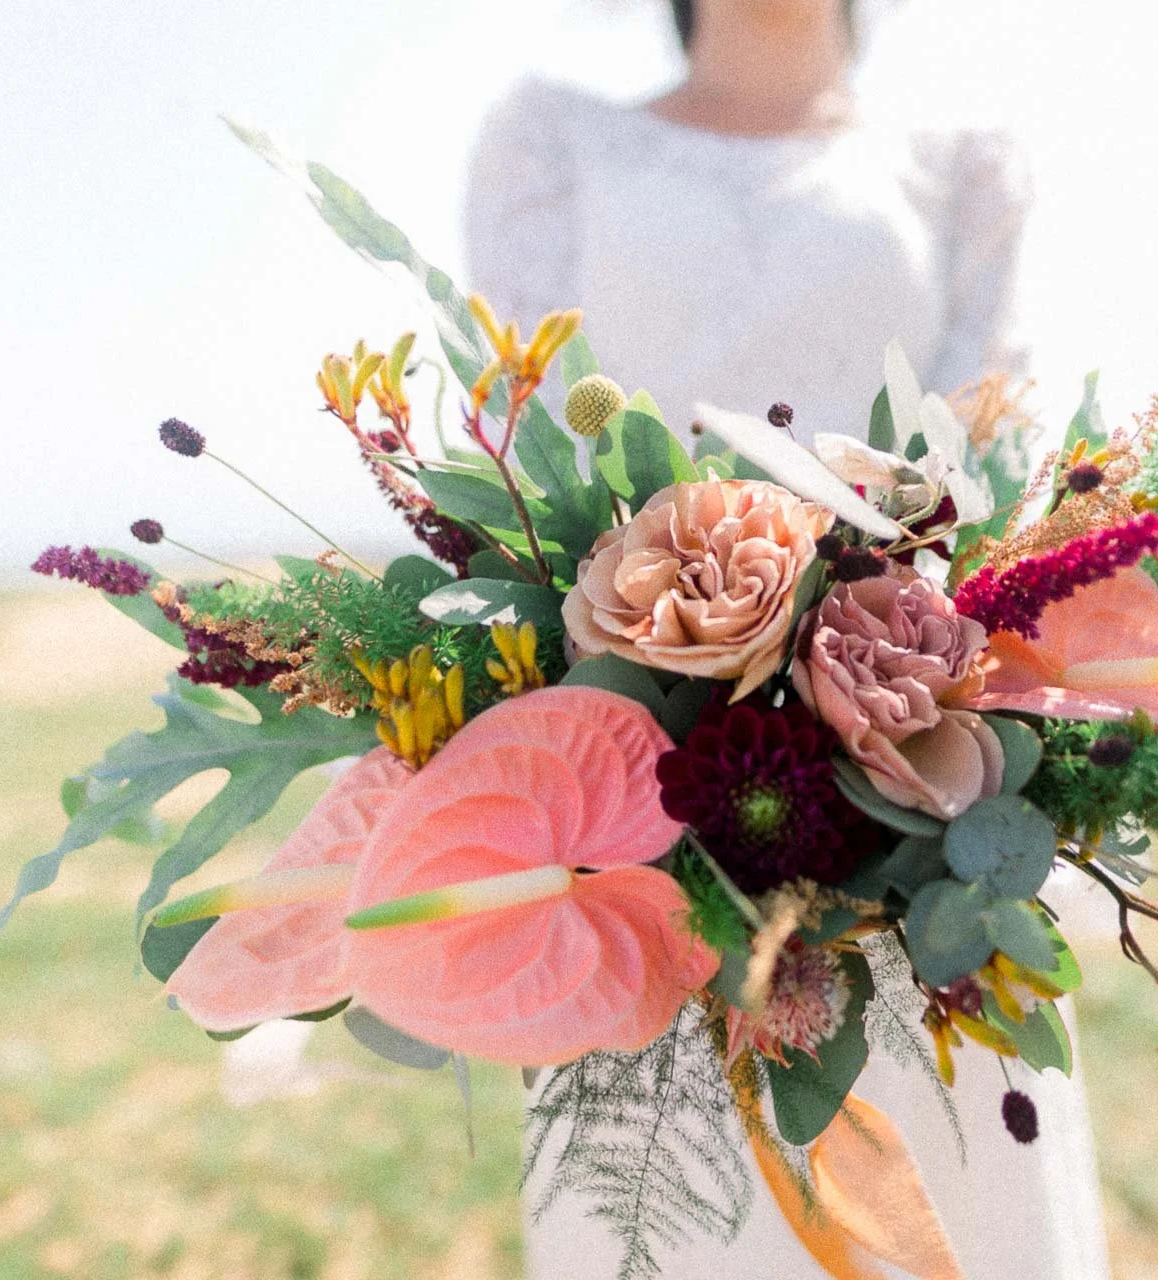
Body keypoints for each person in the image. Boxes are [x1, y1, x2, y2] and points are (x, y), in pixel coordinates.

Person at [466, 1, 1112, 1275]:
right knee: (657, 1208)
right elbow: (529, 455)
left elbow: (997, 455)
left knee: (955, 1185)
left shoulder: (960, 169)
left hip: (915, 772)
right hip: (637, 800)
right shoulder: (556, 147)